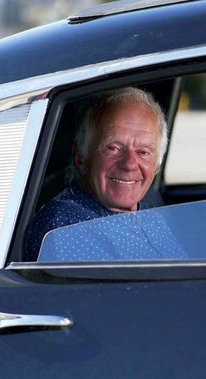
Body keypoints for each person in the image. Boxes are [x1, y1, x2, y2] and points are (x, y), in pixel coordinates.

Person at [24, 87, 168, 261]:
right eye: (113, 148)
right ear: (81, 158)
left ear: (156, 165)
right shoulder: (66, 227)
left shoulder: (149, 211)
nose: (129, 164)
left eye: (143, 152)